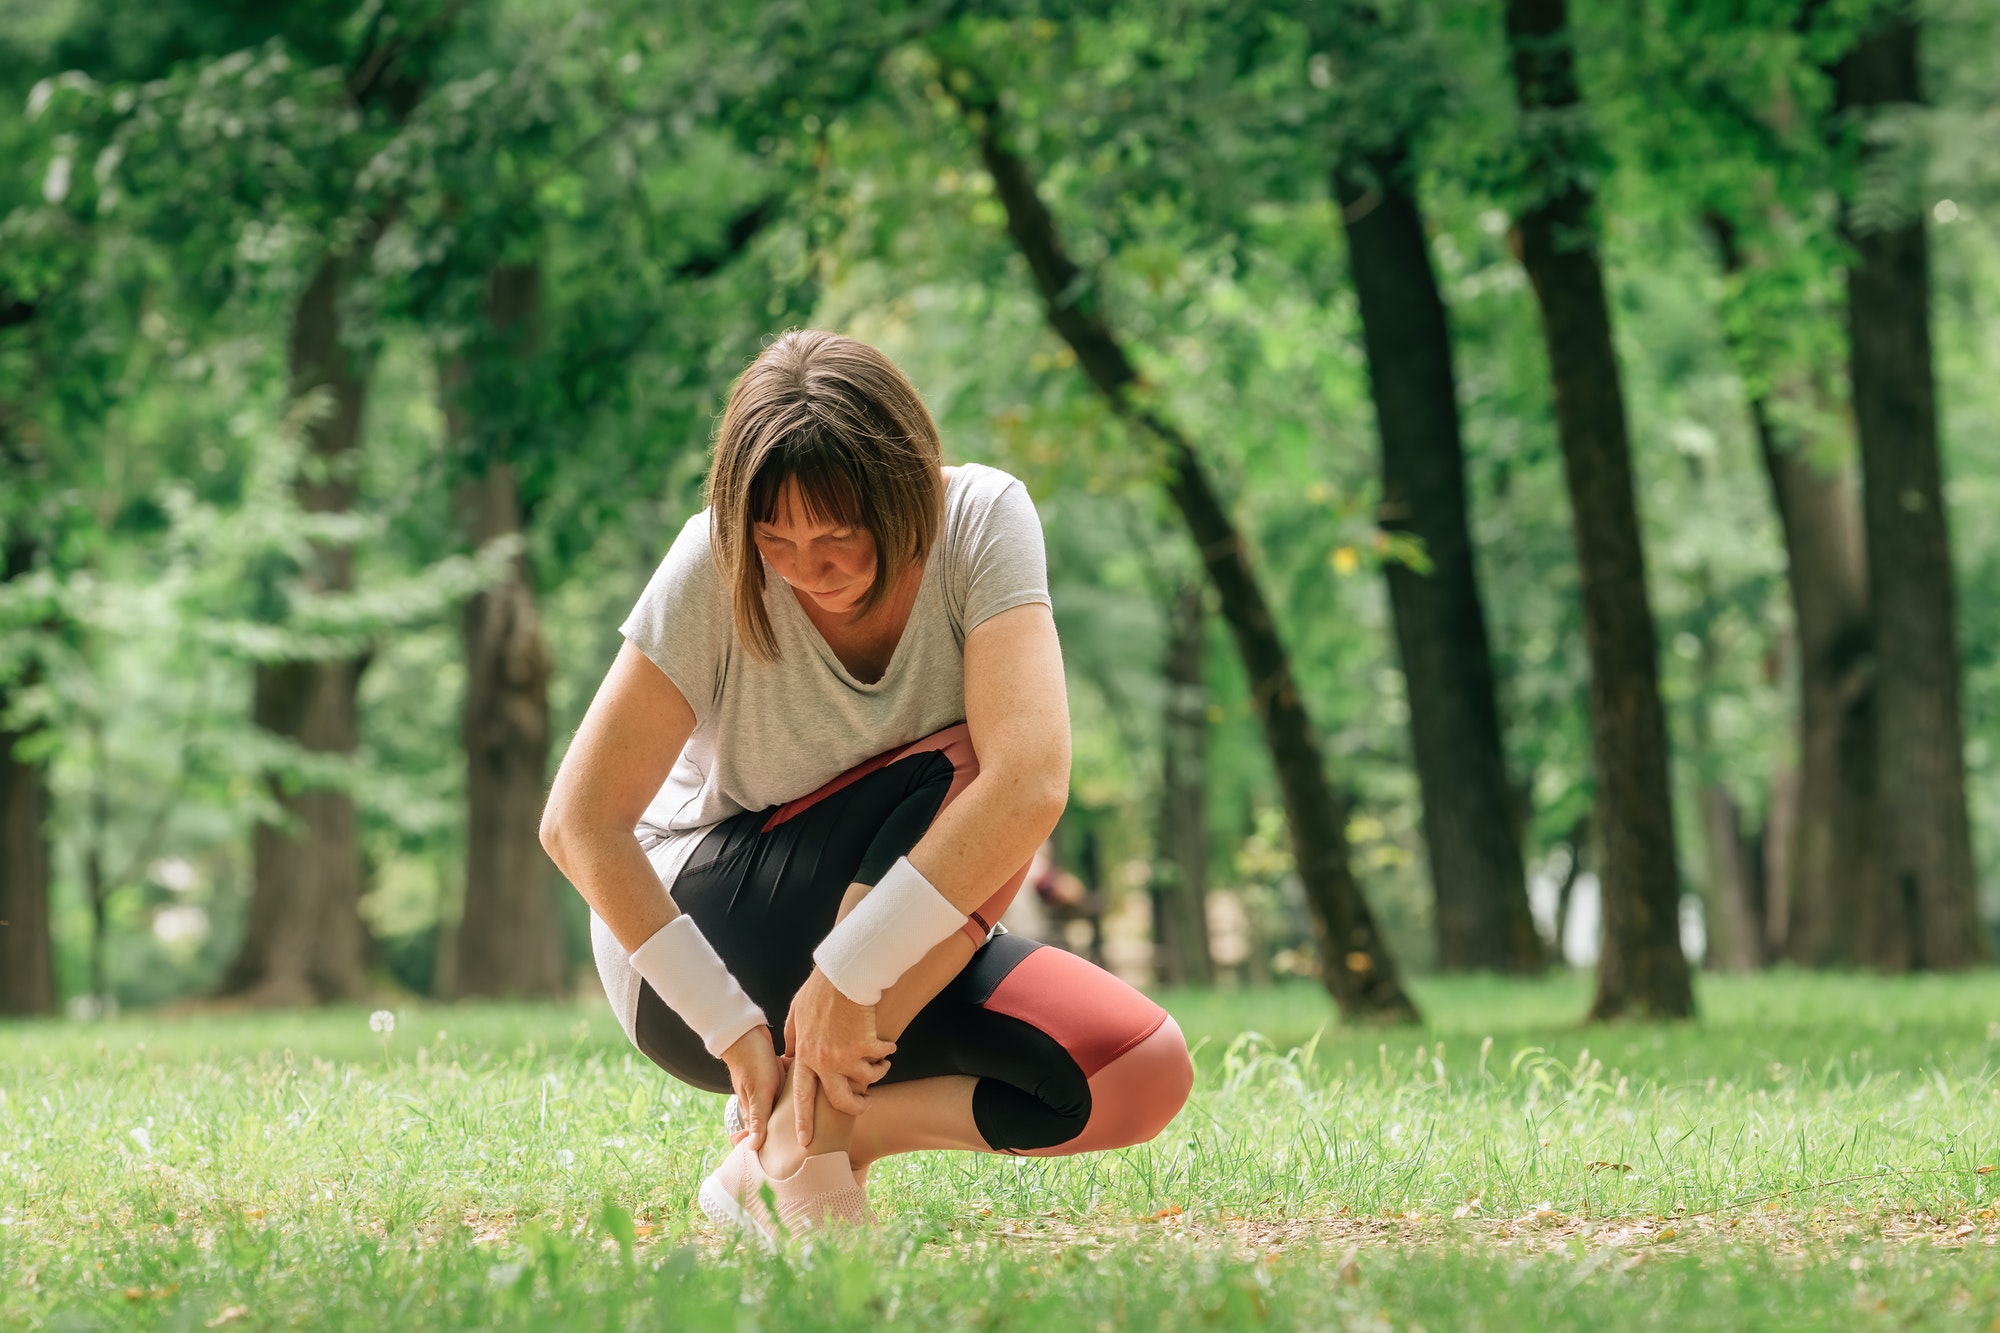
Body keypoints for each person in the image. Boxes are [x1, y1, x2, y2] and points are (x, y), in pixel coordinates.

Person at [540, 330, 1193, 1246]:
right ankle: (806, 1163)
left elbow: (1036, 784)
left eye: (840, 536)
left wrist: (852, 973)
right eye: (780, 540)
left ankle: (790, 1147)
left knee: (1135, 1070)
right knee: (967, 759)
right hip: (696, 948)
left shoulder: (979, 521)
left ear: (909, 487)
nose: (812, 569)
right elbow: (579, 823)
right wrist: (730, 1025)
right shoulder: (713, 560)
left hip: (878, 940)